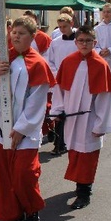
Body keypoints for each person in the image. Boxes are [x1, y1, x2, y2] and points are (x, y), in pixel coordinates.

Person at [0, 16, 55, 221]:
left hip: (24, 131)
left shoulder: (38, 63)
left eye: (22, 34)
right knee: (2, 175)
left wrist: (22, 128)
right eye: (14, 33)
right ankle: (10, 214)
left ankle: (31, 211)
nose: (16, 37)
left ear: (32, 37)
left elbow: (37, 100)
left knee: (24, 173)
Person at [51, 25, 111, 210]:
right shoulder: (68, 61)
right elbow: (60, 89)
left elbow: (104, 97)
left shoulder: (100, 64)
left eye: (88, 40)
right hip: (72, 118)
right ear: (76, 42)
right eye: (81, 40)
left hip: (90, 119)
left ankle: (84, 192)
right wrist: (58, 110)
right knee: (74, 152)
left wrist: (100, 124)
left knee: (88, 156)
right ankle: (80, 184)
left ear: (95, 43)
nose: (84, 44)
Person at [46, 13, 80, 155]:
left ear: (71, 24)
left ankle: (66, 141)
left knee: (71, 110)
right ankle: (59, 142)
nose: (62, 29)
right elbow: (50, 61)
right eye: (59, 27)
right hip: (59, 80)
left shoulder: (78, 42)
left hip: (75, 80)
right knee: (59, 110)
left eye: (64, 26)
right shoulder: (55, 42)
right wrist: (57, 73)